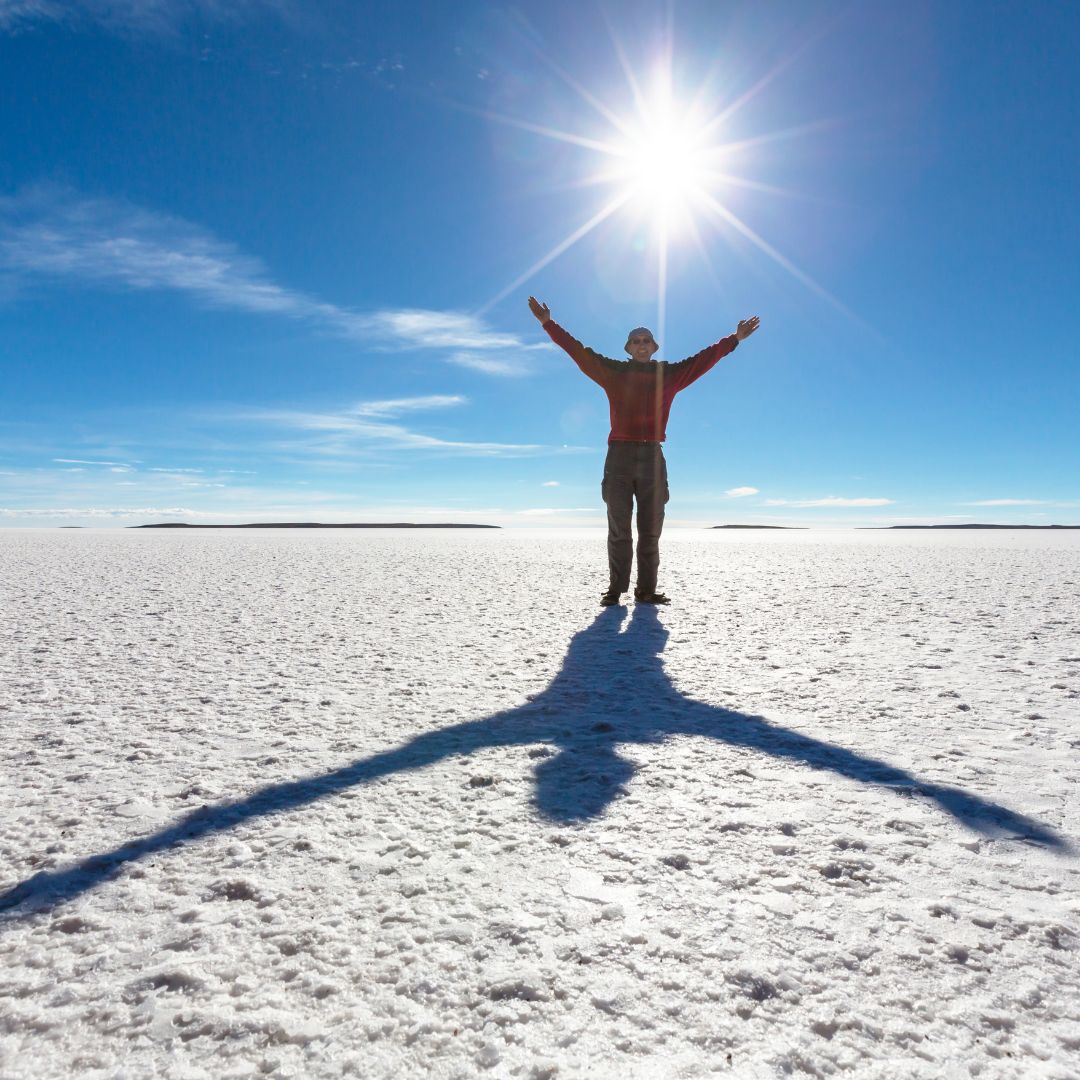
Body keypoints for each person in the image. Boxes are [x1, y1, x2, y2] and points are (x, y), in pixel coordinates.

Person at [528, 296, 760, 606]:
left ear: (654, 347)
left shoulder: (670, 375)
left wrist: (734, 340)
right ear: (628, 348)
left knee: (650, 531)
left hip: (652, 457)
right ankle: (615, 589)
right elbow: (577, 350)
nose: (641, 345)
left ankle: (646, 590)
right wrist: (548, 323)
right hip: (619, 458)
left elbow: (704, 359)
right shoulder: (612, 372)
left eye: (646, 341)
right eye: (635, 341)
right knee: (619, 529)